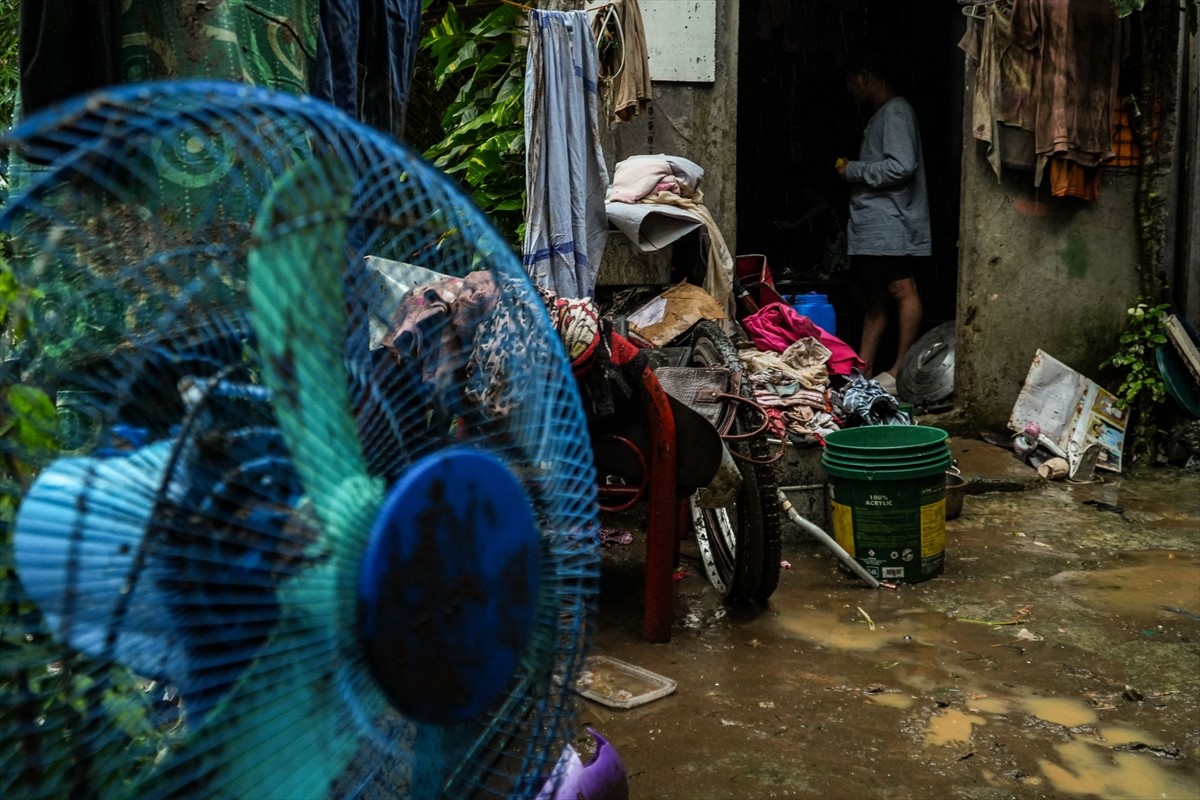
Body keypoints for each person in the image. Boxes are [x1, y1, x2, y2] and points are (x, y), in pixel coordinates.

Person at [837, 50, 931, 392]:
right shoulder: (881, 115)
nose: (850, 90)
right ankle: (861, 372)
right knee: (875, 298)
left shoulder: (896, 112)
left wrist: (853, 170)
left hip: (893, 223)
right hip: (876, 228)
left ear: (863, 76)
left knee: (902, 290)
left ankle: (899, 369)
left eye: (851, 81)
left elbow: (901, 166)